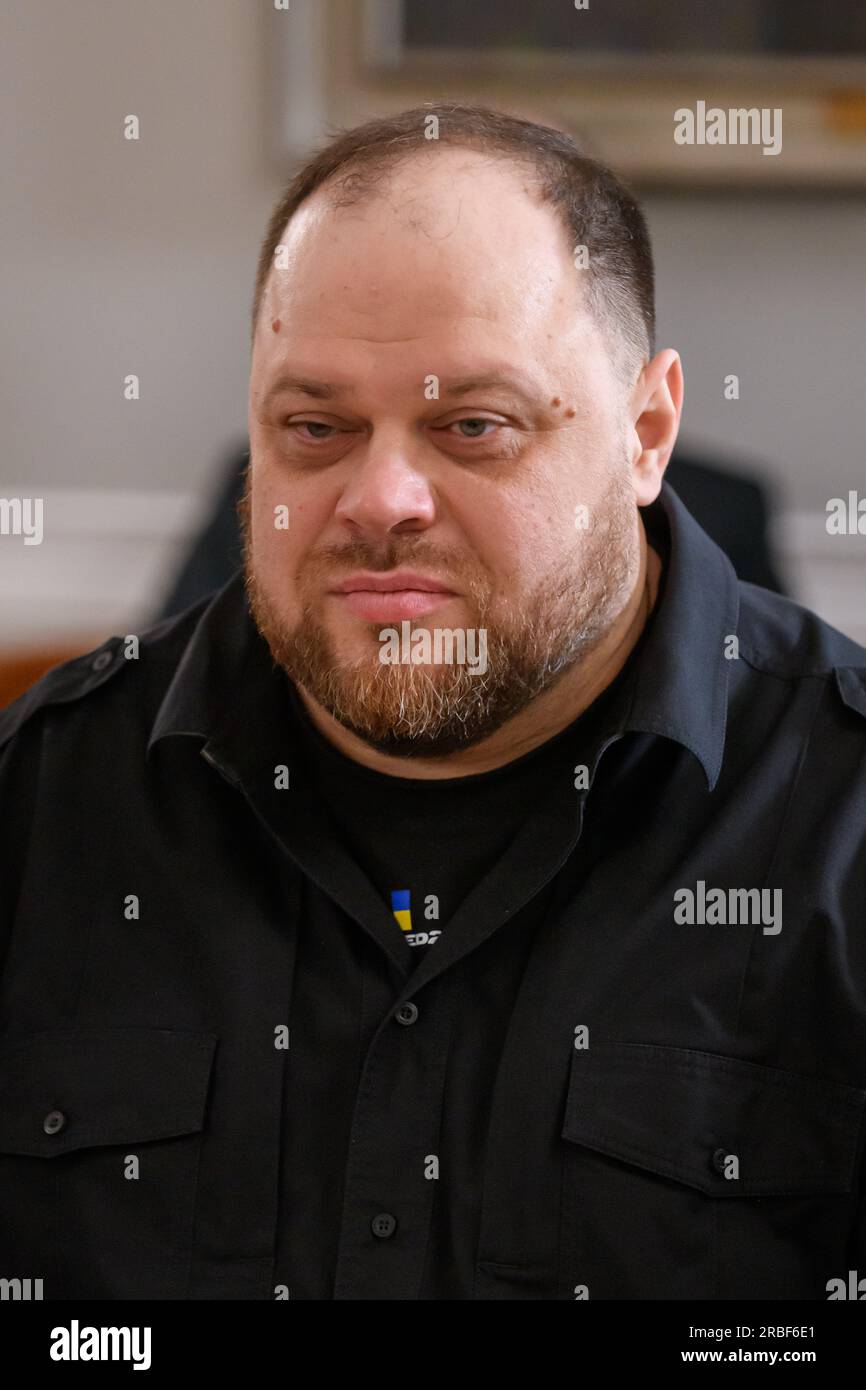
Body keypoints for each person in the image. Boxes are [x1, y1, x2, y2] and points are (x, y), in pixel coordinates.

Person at [1, 103, 864, 1302]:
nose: (381, 497)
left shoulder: (839, 819)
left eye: (472, 425)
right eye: (314, 427)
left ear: (645, 432)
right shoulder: (45, 798)